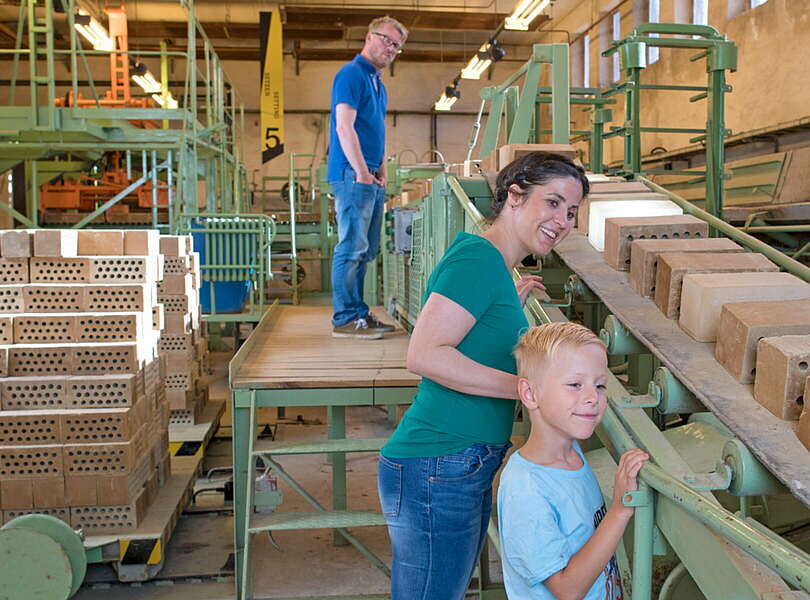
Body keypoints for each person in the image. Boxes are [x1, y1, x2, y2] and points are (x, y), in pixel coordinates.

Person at [377, 152, 590, 599]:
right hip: (439, 461)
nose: (563, 220)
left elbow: (469, 330)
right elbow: (425, 354)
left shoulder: (494, 267)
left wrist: (505, 302)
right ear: (514, 196)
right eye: (552, 203)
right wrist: (527, 390)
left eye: (571, 211)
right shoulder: (478, 259)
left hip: (454, 462)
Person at [498, 321, 649, 599]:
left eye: (600, 385)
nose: (592, 397)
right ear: (530, 394)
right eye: (574, 384)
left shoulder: (571, 452)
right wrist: (620, 510)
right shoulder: (525, 490)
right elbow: (567, 590)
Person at [328, 16, 408, 339]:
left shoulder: (378, 84)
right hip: (353, 175)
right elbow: (343, 126)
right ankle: (345, 317)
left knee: (366, 249)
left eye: (397, 46)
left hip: (370, 176)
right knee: (351, 246)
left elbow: (376, 129)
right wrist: (361, 171)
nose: (391, 49)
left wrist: (382, 167)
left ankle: (359, 313)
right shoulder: (350, 74)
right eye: (387, 40)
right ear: (369, 36)